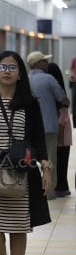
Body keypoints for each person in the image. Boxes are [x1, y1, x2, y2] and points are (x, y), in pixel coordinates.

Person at [0, 51, 52, 255]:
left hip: (21, 174)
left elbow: (38, 138)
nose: (8, 71)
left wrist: (45, 166)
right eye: (3, 67)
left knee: (17, 229)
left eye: (12, 67)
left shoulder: (29, 103)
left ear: (20, 72)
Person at [27, 51, 69, 199]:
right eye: (44, 61)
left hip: (30, 127)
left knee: (31, 159)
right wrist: (66, 102)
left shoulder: (25, 79)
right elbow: (62, 98)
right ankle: (49, 193)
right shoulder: (49, 78)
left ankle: (32, 190)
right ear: (39, 64)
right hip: (49, 126)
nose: (47, 63)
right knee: (50, 159)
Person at [47, 62, 72, 197]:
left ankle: (60, 188)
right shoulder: (61, 93)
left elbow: (62, 119)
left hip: (60, 134)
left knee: (58, 161)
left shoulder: (55, 95)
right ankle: (62, 187)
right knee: (62, 161)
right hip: (62, 134)